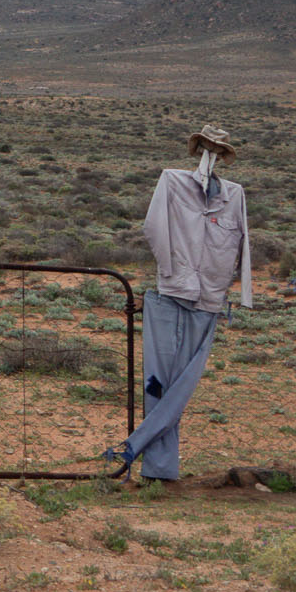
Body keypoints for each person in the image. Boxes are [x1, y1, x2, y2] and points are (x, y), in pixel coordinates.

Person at [103, 125, 250, 483]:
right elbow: (153, 227)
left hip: (210, 300)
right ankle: (159, 469)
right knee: (159, 381)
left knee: (183, 386)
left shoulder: (235, 195)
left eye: (218, 149)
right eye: (207, 147)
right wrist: (170, 271)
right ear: (198, 147)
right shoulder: (171, 182)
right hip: (170, 296)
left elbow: (244, 241)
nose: (211, 155)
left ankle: (139, 454)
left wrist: (241, 293)